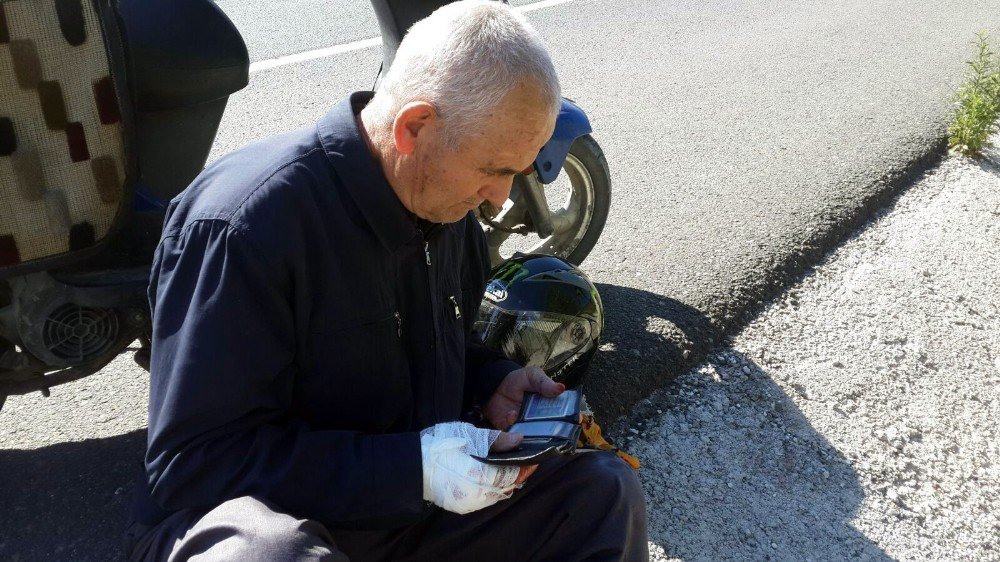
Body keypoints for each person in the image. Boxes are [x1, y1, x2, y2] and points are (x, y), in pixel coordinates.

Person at [124, 2, 647, 560]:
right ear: (414, 127)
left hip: (406, 513)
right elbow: (195, 465)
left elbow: (429, 353)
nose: (500, 198)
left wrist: (490, 383)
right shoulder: (246, 227)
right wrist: (411, 469)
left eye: (515, 174)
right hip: (288, 523)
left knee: (600, 492)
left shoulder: (448, 213)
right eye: (494, 170)